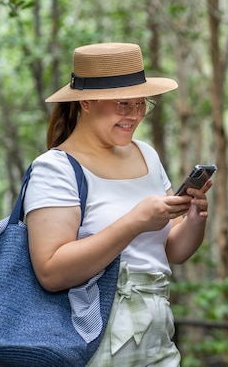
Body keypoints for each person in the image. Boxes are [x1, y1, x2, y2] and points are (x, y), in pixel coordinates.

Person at [23, 42, 213, 366]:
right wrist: (134, 222)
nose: (134, 115)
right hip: (94, 333)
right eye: (123, 104)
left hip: (157, 327)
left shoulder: (146, 154)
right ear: (85, 101)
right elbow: (51, 272)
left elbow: (171, 251)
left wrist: (194, 219)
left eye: (141, 104)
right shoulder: (55, 168)